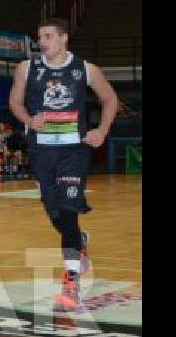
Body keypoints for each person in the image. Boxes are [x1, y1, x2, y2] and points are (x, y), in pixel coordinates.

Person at [8, 17, 119, 311]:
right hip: (42, 151)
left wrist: (103, 131)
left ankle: (71, 282)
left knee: (68, 211)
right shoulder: (26, 68)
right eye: (39, 37)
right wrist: (28, 120)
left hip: (74, 151)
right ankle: (79, 240)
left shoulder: (86, 69)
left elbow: (110, 99)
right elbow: (15, 103)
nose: (42, 42)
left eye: (48, 36)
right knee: (55, 213)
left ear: (64, 38)